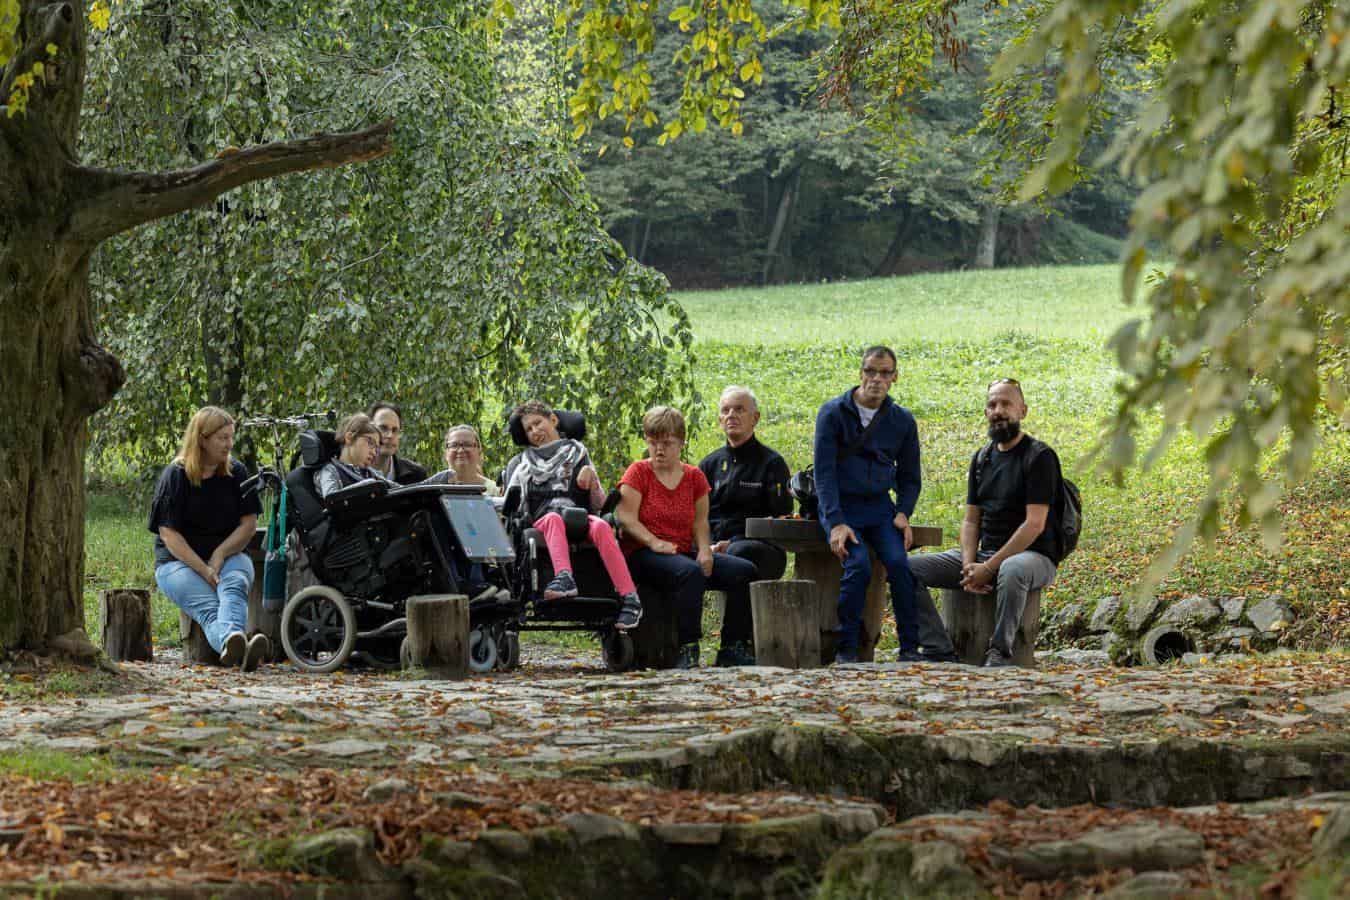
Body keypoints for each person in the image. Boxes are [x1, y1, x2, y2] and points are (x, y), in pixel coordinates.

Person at [910, 378, 1062, 667]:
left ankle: (1000, 652)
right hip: (983, 555)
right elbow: (970, 521)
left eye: (1006, 403)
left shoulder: (1039, 457)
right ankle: (938, 648)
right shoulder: (982, 459)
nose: (998, 410)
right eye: (992, 404)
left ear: (1023, 411)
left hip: (1034, 556)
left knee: (1013, 568)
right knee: (905, 568)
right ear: (985, 412)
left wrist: (989, 568)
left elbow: (1034, 524)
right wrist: (970, 566)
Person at [617, 406, 758, 669]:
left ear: (681, 443)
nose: (659, 450)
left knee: (743, 571)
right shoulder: (638, 472)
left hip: (681, 551)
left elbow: (700, 521)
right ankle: (688, 646)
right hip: (642, 553)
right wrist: (654, 542)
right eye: (653, 443)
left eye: (667, 443)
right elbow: (626, 518)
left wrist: (705, 550)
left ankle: (731, 646)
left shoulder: (694, 477)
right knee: (690, 573)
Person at [813, 345, 923, 664]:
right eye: (871, 371)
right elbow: (823, 473)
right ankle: (846, 649)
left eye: (885, 372)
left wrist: (903, 512)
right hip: (842, 507)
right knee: (858, 565)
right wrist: (835, 521)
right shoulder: (833, 413)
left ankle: (910, 648)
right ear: (861, 373)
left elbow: (910, 475)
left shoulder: (901, 420)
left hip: (879, 508)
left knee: (900, 566)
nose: (877, 378)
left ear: (895, 377)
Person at [504, 401, 641, 630]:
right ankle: (564, 577)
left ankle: (630, 597)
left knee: (600, 526)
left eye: (538, 423)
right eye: (528, 429)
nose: (535, 431)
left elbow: (598, 504)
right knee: (553, 519)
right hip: (543, 520)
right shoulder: (522, 464)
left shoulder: (579, 454)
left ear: (553, 420)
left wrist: (592, 481)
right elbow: (510, 503)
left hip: (576, 517)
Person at [149, 406, 268, 671]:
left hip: (231, 556)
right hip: (177, 564)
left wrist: (220, 554)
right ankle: (237, 645)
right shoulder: (176, 476)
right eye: (222, 438)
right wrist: (203, 569)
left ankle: (234, 647)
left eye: (231, 437)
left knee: (234, 585)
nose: (229, 444)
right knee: (211, 607)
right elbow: (169, 535)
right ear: (202, 439)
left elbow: (248, 525)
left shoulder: (236, 471)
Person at [698, 386, 792, 581]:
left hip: (758, 548)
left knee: (739, 555)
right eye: (725, 410)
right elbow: (696, 516)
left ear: (755, 418)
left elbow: (780, 519)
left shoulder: (771, 464)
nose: (731, 415)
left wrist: (732, 542)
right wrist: (706, 545)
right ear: (720, 420)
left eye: (739, 409)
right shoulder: (709, 464)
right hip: (711, 547)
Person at [314, 413, 389, 498]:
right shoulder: (330, 471)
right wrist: (368, 485)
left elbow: (397, 489)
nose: (374, 453)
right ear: (349, 437)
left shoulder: (372, 473)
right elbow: (331, 499)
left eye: (376, 448)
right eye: (370, 443)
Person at [367, 402, 428, 486]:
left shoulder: (417, 476)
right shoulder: (351, 474)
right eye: (383, 428)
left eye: (395, 430)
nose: (390, 435)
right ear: (368, 430)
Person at [443, 424, 500, 496]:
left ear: (479, 451)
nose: (460, 450)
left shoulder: (494, 491)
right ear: (446, 453)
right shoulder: (434, 489)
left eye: (467, 445)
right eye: (454, 445)